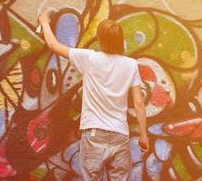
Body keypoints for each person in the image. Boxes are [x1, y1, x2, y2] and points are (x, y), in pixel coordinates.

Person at [38, 11, 149, 181]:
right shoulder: (130, 65)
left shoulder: (90, 58)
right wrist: (143, 135)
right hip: (120, 134)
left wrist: (45, 22)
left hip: (94, 133)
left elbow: (53, 45)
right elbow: (139, 103)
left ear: (100, 39)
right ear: (119, 39)